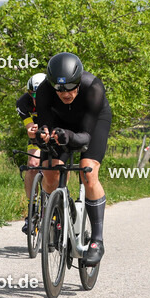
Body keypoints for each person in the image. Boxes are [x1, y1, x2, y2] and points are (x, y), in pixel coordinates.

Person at [34, 52, 112, 266]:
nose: (64, 93)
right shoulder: (44, 91)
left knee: (88, 171)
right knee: (50, 171)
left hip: (92, 124)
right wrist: (43, 135)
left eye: (69, 87)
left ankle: (97, 240)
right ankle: (56, 213)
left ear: (78, 81)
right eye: (59, 89)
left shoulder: (93, 87)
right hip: (61, 122)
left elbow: (85, 136)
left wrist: (68, 136)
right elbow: (45, 125)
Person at [17, 73, 48, 234]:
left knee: (57, 167)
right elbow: (29, 130)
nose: (35, 98)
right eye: (32, 94)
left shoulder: (55, 98)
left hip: (55, 133)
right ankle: (32, 209)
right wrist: (32, 130)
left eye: (39, 94)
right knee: (32, 165)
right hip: (37, 136)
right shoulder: (23, 103)